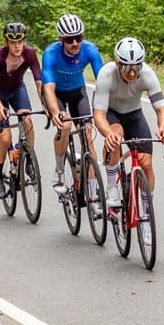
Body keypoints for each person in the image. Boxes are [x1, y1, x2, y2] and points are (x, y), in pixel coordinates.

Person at [92, 37, 164, 245]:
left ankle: (146, 216)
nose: (132, 72)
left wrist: (163, 128)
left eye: (136, 66)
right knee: (115, 135)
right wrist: (107, 133)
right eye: (127, 66)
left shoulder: (147, 74)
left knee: (146, 163)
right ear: (118, 63)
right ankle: (111, 186)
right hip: (111, 114)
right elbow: (99, 115)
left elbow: (161, 109)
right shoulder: (106, 74)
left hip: (134, 115)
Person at [40, 14, 104, 195]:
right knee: (65, 124)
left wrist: (107, 107)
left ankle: (93, 192)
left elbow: (103, 80)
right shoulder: (51, 53)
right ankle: (59, 172)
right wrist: (55, 112)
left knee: (88, 133)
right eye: (70, 39)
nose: (75, 43)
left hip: (77, 91)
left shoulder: (90, 49)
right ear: (61, 39)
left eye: (79, 38)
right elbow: (49, 88)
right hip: (56, 93)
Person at [0, 21, 43, 199]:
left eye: (20, 41)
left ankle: (29, 162)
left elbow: (39, 81)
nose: (17, 46)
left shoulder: (30, 53)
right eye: (13, 42)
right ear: (6, 42)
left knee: (27, 120)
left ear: (24, 41)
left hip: (17, 89)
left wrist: (47, 106)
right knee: (5, 139)